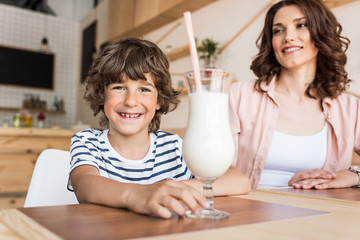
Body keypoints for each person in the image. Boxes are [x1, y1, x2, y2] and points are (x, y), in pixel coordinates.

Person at [68, 37, 251, 219]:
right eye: (119, 87)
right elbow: (85, 185)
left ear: (159, 100)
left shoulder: (173, 146)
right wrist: (139, 194)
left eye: (144, 89)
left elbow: (240, 181)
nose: (131, 101)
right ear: (102, 95)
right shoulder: (86, 141)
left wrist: (174, 189)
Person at [229, 0, 360, 190]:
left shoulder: (350, 108)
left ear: (321, 33)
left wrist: (355, 175)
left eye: (301, 25)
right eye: (278, 30)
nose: (288, 37)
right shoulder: (239, 95)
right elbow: (217, 170)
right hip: (249, 214)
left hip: (322, 216)